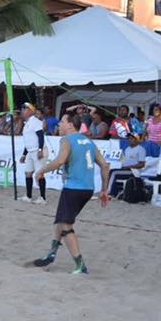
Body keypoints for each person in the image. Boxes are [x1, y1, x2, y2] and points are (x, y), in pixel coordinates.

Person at [33, 113, 110, 274]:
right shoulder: (89, 141)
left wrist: (41, 171)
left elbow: (60, 160)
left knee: (67, 226)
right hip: (88, 189)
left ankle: (80, 264)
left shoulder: (67, 140)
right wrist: (104, 189)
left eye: (62, 122)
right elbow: (104, 165)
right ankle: (52, 252)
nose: (59, 125)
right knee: (60, 220)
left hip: (74, 188)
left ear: (70, 125)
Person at [18, 103, 47, 204]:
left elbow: (40, 136)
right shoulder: (27, 123)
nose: (22, 110)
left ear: (30, 111)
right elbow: (28, 141)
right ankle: (29, 196)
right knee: (28, 172)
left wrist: (40, 150)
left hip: (37, 150)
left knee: (40, 174)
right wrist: (24, 154)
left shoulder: (35, 122)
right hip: (30, 150)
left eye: (24, 109)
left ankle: (42, 198)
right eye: (22, 109)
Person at [106, 132, 146, 197]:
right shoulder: (127, 149)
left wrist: (130, 166)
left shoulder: (141, 149)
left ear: (136, 139)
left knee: (113, 172)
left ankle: (108, 192)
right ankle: (113, 192)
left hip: (134, 171)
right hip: (126, 169)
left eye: (132, 138)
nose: (129, 140)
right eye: (129, 138)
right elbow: (124, 161)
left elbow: (142, 164)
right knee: (111, 171)